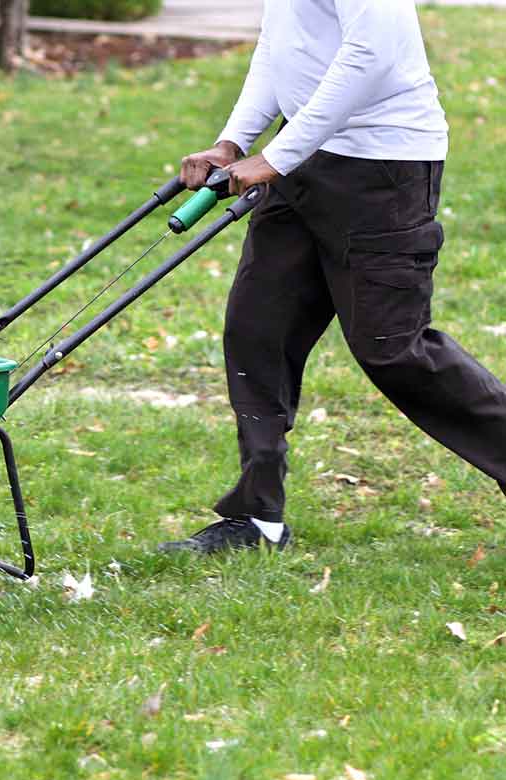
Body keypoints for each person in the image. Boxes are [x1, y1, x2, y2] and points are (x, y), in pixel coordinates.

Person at [158, 0, 506, 554]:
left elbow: (371, 55)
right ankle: (258, 518)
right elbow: (281, 47)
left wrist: (276, 156)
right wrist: (235, 141)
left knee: (393, 348)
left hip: (384, 168)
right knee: (258, 329)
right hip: (303, 158)